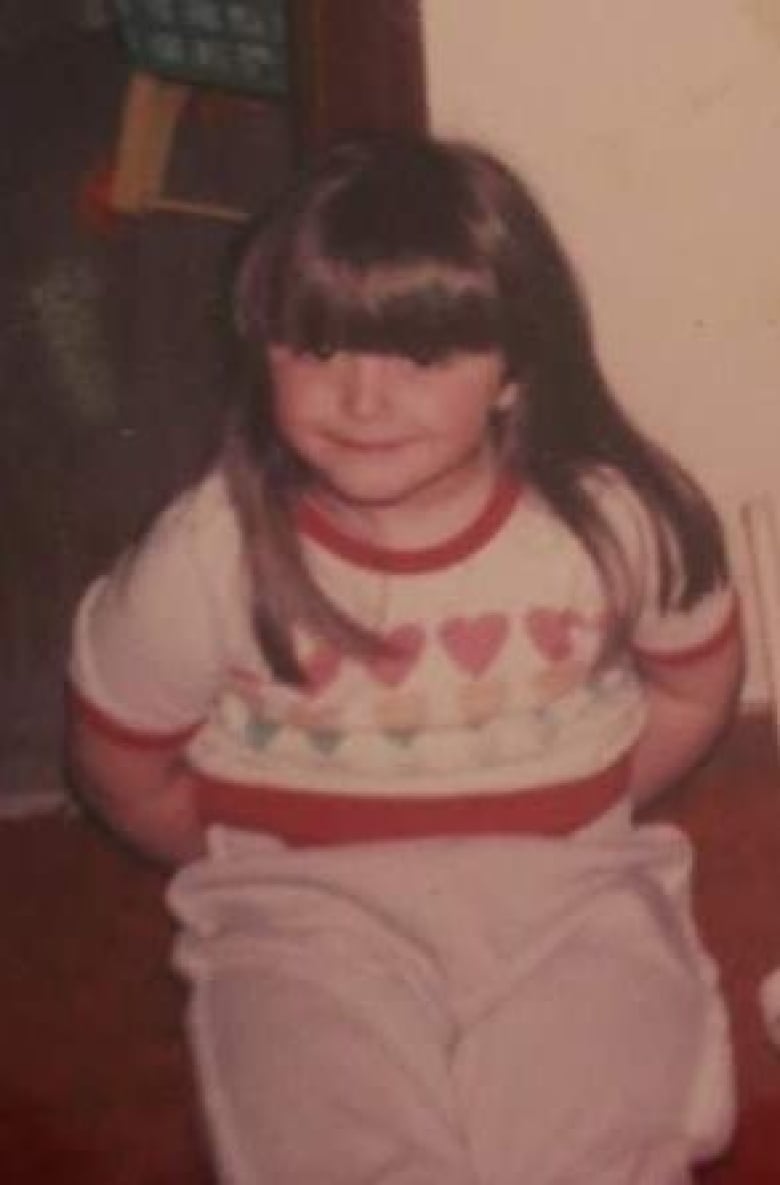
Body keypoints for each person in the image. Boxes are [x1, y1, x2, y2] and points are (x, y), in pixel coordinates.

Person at [67, 132, 744, 1185]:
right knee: (333, 1140)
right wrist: (244, 856)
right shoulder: (211, 554)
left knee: (603, 1128)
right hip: (307, 914)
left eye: (422, 356)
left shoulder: (610, 526)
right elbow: (119, 758)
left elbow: (698, 683)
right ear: (262, 351)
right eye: (317, 349)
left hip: (570, 892)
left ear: (516, 367)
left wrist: (594, 796)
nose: (363, 399)